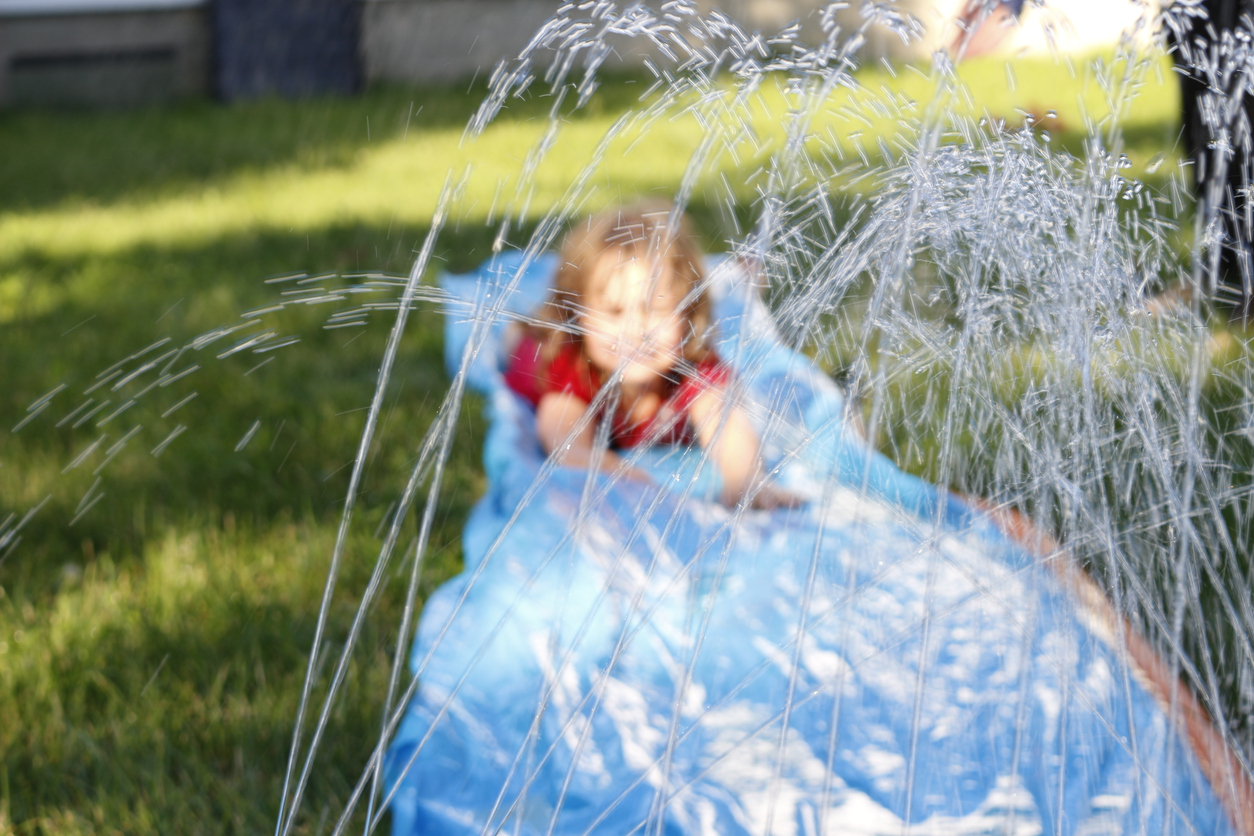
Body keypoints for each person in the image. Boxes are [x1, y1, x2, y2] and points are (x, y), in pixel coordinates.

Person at [502, 203, 798, 509]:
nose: (635, 331)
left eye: (656, 310)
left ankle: (739, 272)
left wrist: (745, 480)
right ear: (579, 317)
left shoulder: (691, 367)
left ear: (688, 314)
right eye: (615, 311)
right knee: (525, 344)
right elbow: (567, 445)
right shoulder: (572, 368)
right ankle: (521, 327)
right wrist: (630, 479)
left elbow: (726, 423)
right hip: (539, 357)